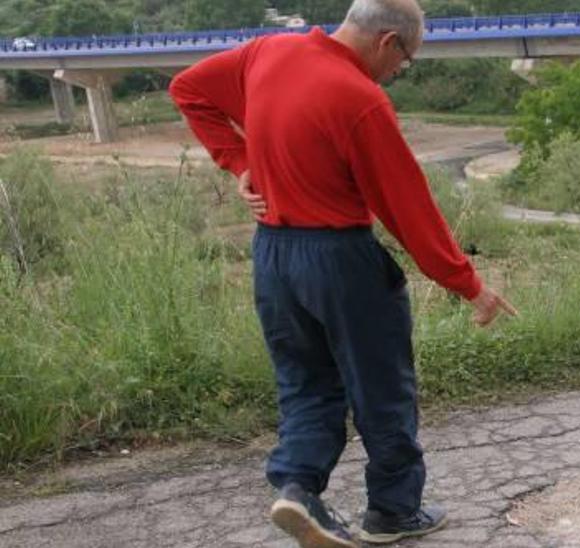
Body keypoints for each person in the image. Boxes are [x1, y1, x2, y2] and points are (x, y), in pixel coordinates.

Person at [169, 0, 517, 546]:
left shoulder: (267, 52)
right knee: (381, 386)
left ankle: (297, 488)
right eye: (406, 60)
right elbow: (408, 209)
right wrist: (467, 285)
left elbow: (188, 89)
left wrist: (241, 163)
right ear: (387, 42)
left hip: (274, 258)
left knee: (306, 383)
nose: (400, 71)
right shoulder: (360, 100)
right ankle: (393, 512)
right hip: (339, 260)